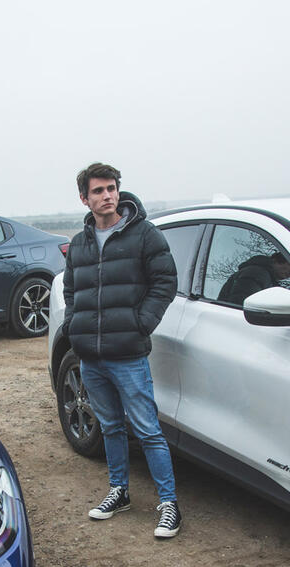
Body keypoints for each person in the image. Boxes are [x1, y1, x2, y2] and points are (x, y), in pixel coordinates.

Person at [62, 162, 182, 539]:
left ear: (119, 191)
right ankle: (120, 492)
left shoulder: (144, 235)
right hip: (91, 356)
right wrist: (73, 327)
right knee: (111, 426)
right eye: (98, 191)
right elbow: (71, 291)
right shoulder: (80, 242)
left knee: (147, 429)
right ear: (85, 198)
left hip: (128, 354)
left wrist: (139, 324)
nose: (107, 196)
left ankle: (169, 504)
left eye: (111, 188)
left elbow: (165, 282)